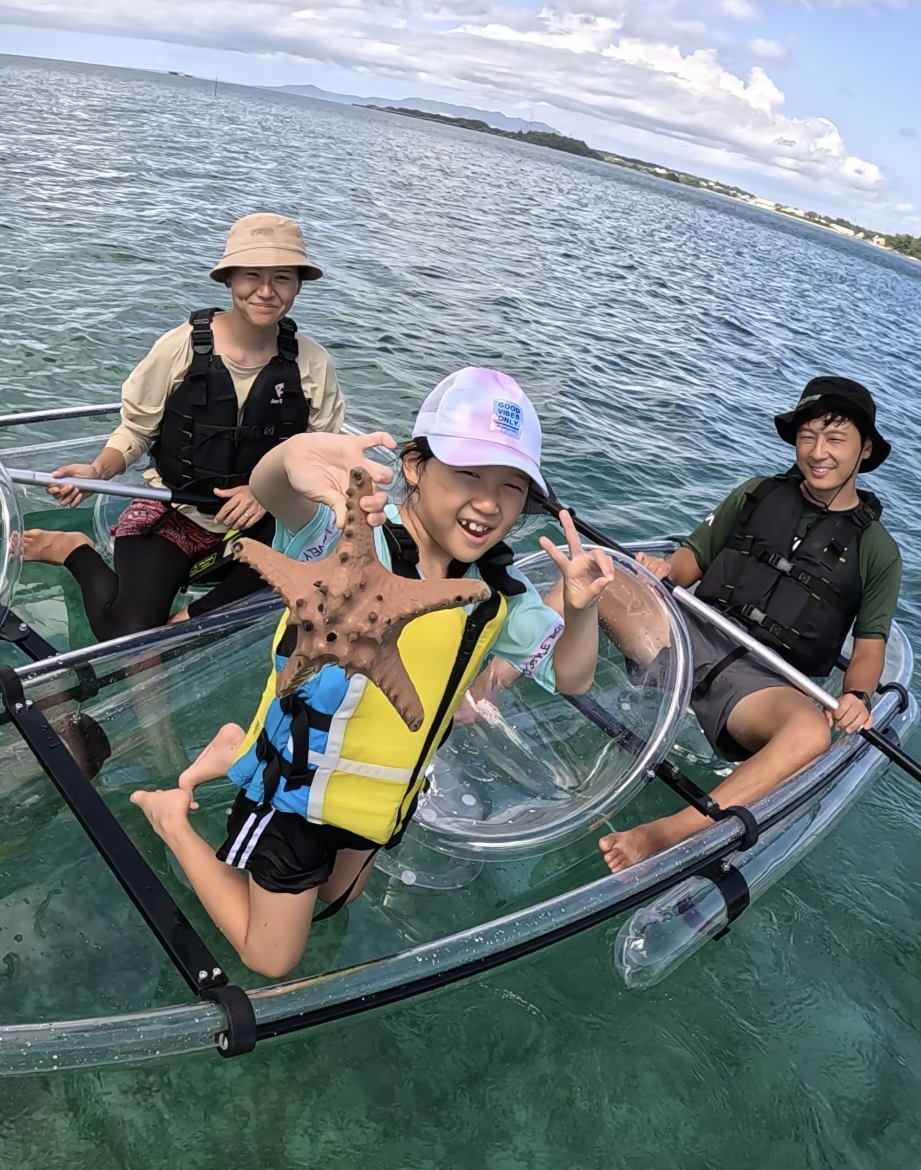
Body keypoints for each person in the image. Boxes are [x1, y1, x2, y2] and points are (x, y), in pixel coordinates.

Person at [130, 368, 614, 977]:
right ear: (414, 466)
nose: (490, 503)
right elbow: (277, 492)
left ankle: (235, 745)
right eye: (468, 474)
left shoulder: (497, 593)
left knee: (342, 894)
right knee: (272, 956)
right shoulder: (351, 540)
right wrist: (291, 458)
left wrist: (581, 608)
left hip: (380, 792)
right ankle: (172, 819)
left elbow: (572, 679)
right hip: (297, 785)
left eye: (512, 487)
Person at [596, 376, 901, 872]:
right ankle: (489, 686)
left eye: (835, 439)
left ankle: (668, 832)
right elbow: (692, 559)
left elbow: (868, 648)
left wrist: (858, 696)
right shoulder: (755, 494)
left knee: (810, 733)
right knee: (593, 575)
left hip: (760, 689)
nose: (818, 452)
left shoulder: (879, 551)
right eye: (807, 436)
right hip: (687, 638)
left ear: (864, 449)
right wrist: (663, 570)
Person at [21, 213, 345, 639]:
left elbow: (321, 454)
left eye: (282, 278)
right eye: (251, 275)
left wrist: (264, 493)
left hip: (265, 518)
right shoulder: (180, 347)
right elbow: (136, 429)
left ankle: (188, 622)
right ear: (228, 279)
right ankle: (72, 550)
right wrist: (98, 469)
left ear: (299, 285)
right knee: (126, 632)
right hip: (175, 508)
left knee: (319, 559)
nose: (266, 291)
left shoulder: (313, 363)